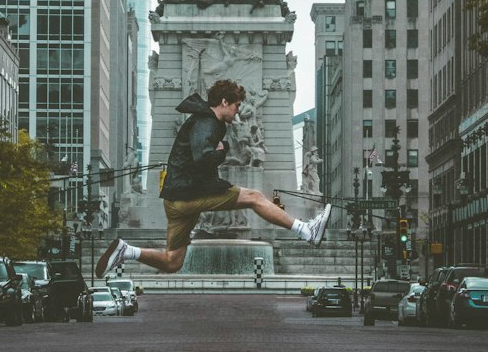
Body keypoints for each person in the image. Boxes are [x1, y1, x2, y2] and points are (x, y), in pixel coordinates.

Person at [96, 79, 331, 278]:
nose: (239, 110)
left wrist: (221, 147)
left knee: (173, 262)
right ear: (224, 102)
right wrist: (221, 151)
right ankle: (306, 230)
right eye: (237, 105)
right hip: (190, 193)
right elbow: (202, 158)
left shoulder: (205, 121)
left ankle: (126, 251)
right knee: (255, 197)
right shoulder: (206, 122)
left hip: (177, 200)